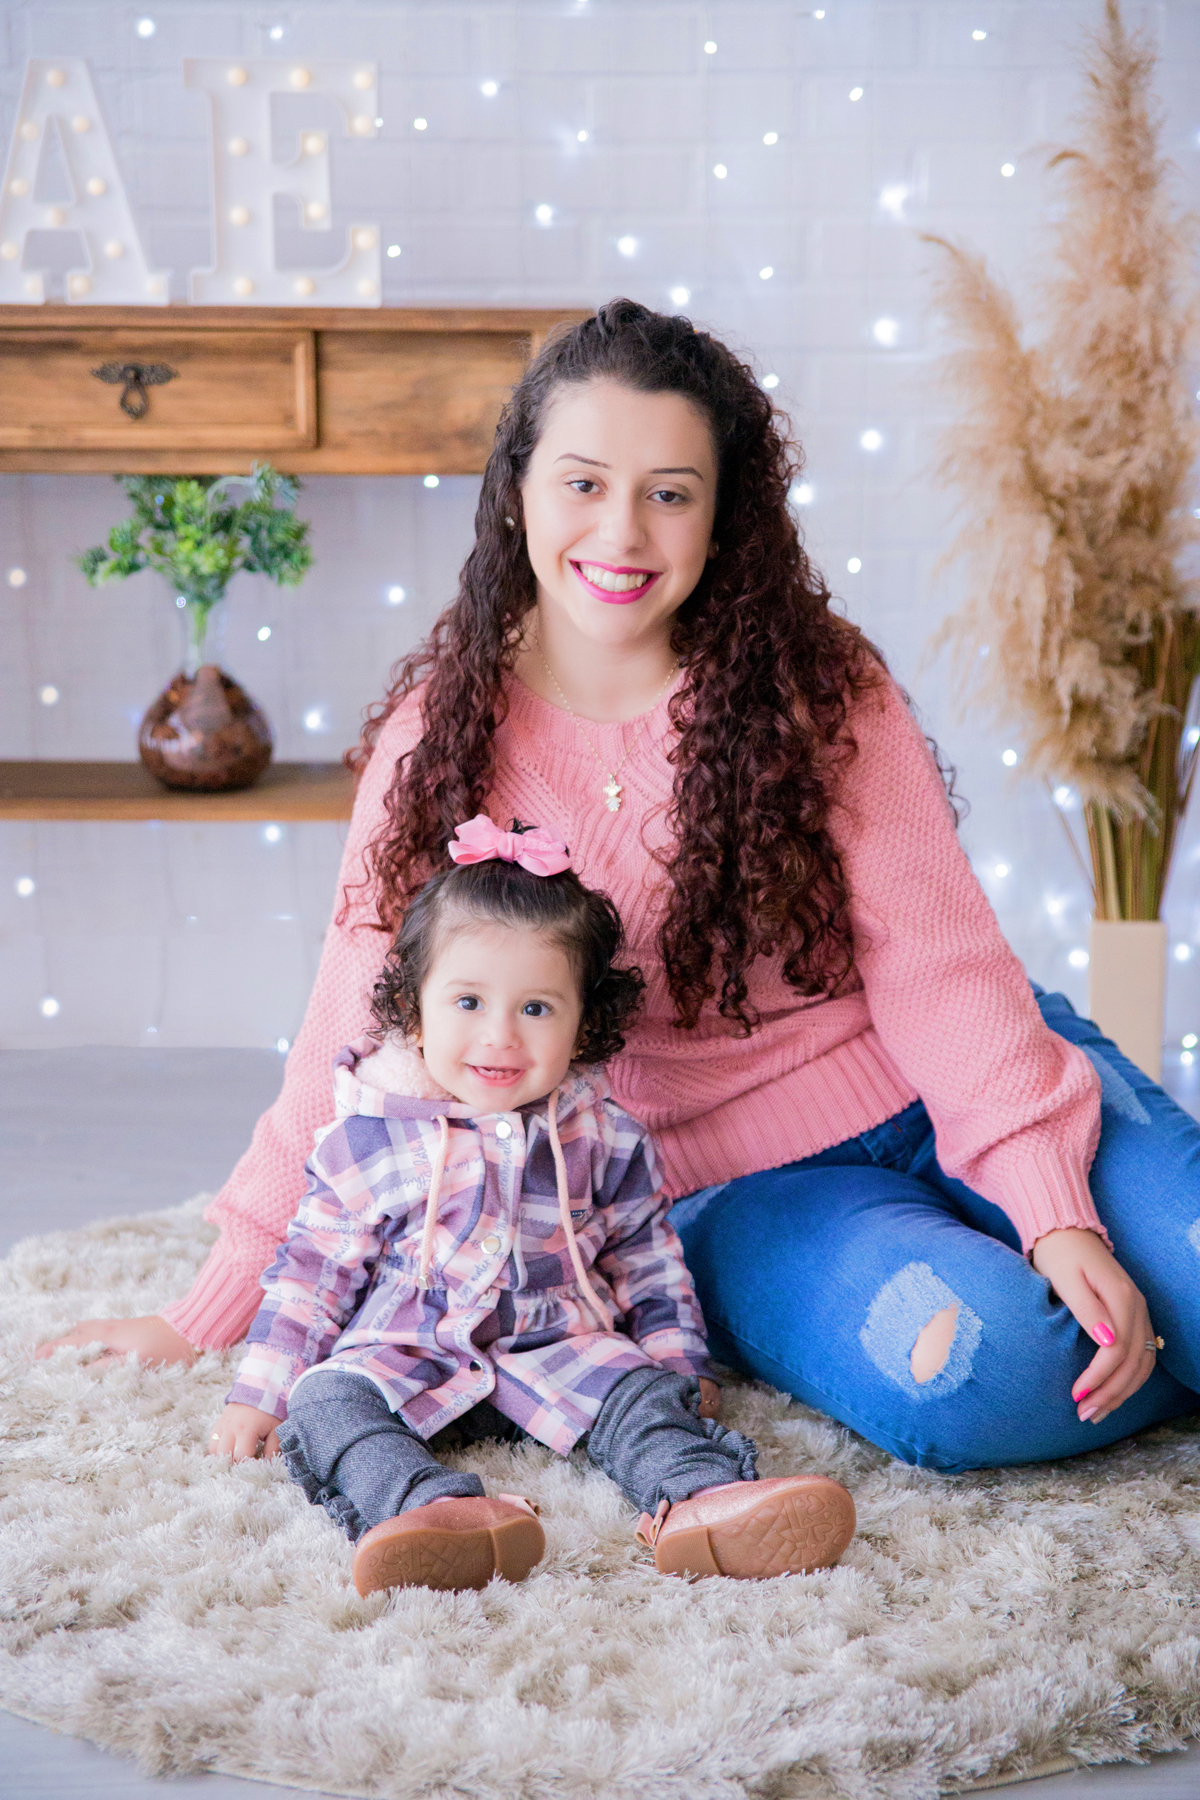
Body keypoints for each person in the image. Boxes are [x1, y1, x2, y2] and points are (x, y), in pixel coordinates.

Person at [41, 299, 1200, 1472]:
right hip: (740, 1193)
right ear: (519, 492)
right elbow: (348, 1033)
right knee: (991, 1369)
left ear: (720, 515)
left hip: (956, 1073)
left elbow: (938, 959)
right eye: (585, 483)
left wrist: (1051, 1204)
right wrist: (212, 1307)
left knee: (1189, 1272)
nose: (624, 531)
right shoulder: (440, 736)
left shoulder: (818, 686)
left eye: (670, 492)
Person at [206, 817, 857, 1594]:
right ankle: (426, 1514)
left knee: (645, 1393)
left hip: (556, 1343)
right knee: (325, 1403)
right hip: (410, 1349)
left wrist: (677, 1354)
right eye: (470, 1001)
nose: (501, 1036)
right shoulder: (368, 1138)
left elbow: (645, 1254)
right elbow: (312, 1274)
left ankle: (704, 1499)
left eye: (537, 1009)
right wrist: (261, 1393)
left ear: (585, 1025)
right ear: (415, 1012)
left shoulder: (602, 1135)